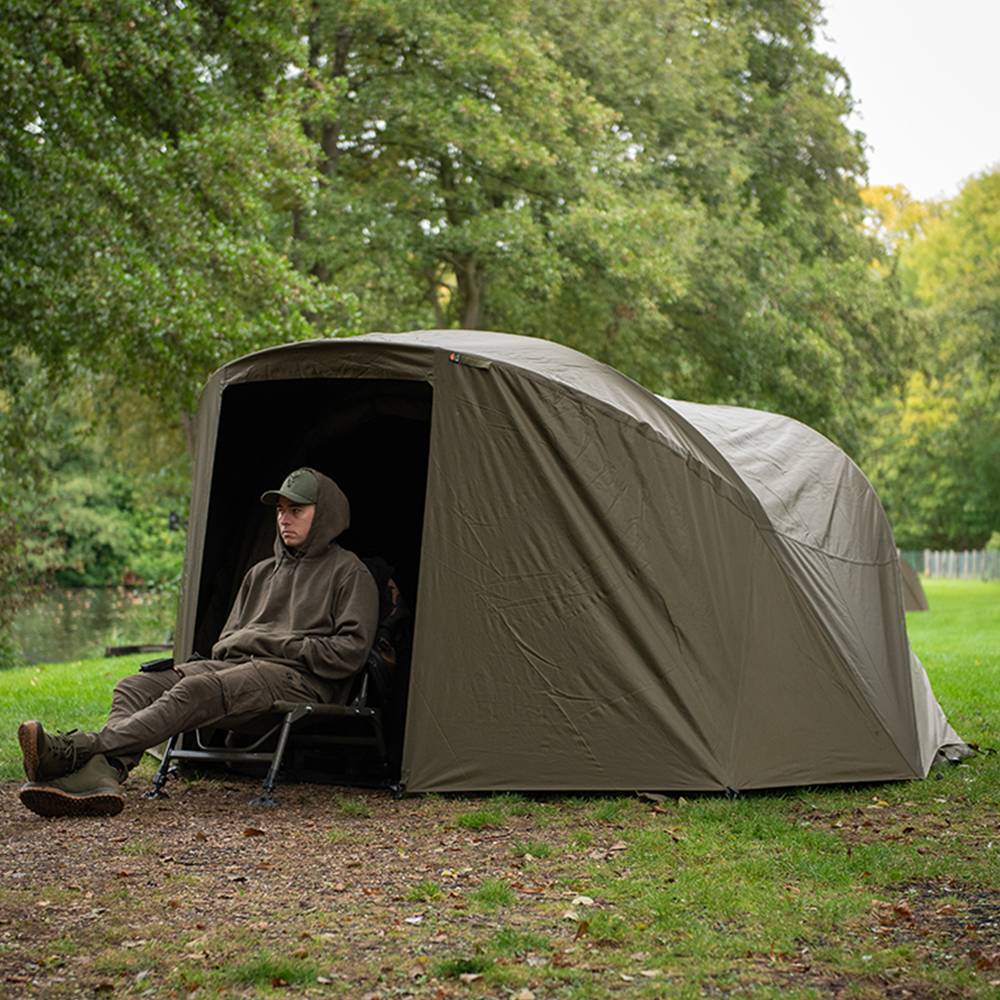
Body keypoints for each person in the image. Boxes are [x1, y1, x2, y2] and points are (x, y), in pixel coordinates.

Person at [18, 468, 379, 818]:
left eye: (296, 510)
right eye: (281, 510)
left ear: (325, 515)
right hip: (239, 670)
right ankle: (104, 772)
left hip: (298, 679)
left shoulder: (349, 572)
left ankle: (77, 748)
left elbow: (350, 652)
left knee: (195, 690)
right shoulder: (260, 573)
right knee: (135, 686)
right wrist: (251, 644)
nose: (284, 519)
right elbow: (227, 643)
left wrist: (276, 644)